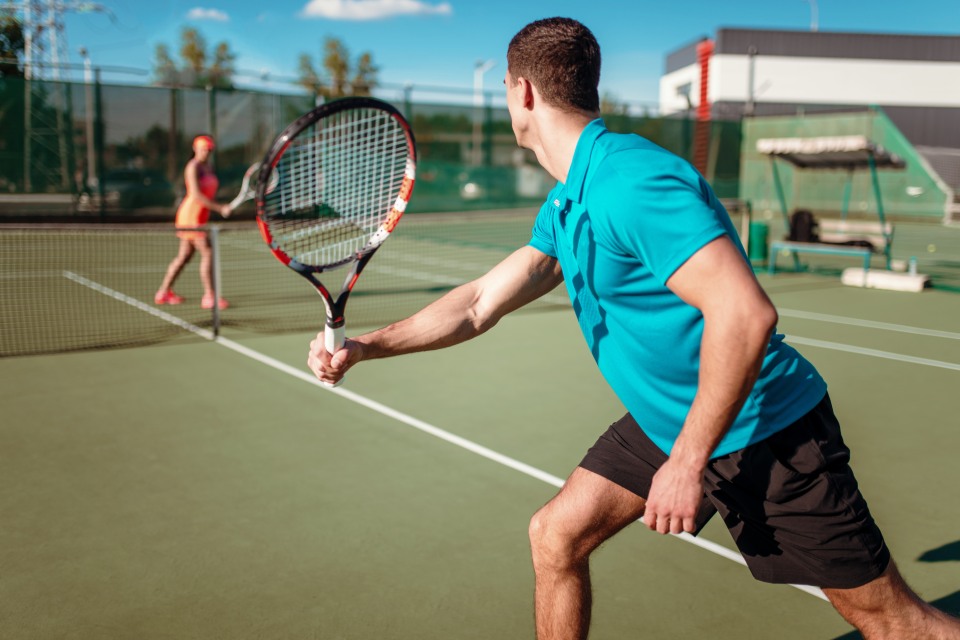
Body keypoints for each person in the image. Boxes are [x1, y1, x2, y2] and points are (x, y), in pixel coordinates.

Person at [306, 17, 960, 640]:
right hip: (667, 420)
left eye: (506, 88)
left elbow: (745, 312)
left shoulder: (631, 180)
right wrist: (366, 347)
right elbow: (479, 303)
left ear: (523, 92)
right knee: (555, 537)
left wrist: (687, 459)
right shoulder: (570, 200)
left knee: (894, 623)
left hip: (764, 430)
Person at [155, 134, 231, 310]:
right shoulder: (193, 167)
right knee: (208, 252)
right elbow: (196, 195)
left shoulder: (208, 167)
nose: (207, 152)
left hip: (200, 216)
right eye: (204, 148)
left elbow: (208, 192)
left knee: (184, 257)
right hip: (190, 216)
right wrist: (220, 209)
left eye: (209, 149)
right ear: (195, 149)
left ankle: (163, 292)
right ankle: (209, 296)